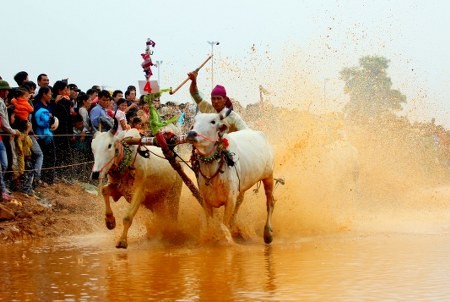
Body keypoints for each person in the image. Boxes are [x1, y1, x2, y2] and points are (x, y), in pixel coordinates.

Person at [0, 80, 20, 201]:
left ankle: (3, 189)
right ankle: (2, 189)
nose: (7, 92)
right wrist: (12, 131)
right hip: (4, 134)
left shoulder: (2, 102)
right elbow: (3, 121)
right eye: (5, 90)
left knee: (4, 164)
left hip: (2, 137)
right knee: (3, 164)